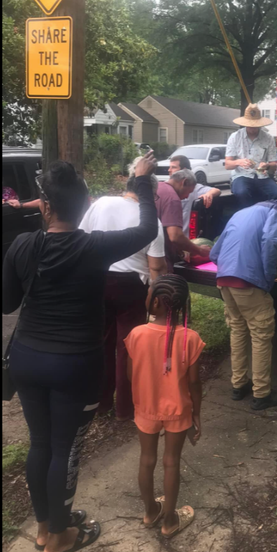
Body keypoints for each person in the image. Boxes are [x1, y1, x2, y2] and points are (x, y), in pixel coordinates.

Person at [2, 152, 158, 552]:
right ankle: (59, 537)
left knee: (40, 443)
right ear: (84, 205)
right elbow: (147, 227)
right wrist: (140, 180)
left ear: (47, 206)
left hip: (27, 359)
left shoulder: (23, 245)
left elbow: (7, 304)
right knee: (64, 448)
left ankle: (44, 527)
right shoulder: (96, 247)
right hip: (74, 364)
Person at [78, 172, 169, 422]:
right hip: (130, 287)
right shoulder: (151, 221)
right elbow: (156, 267)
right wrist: (156, 296)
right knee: (129, 348)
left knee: (102, 344)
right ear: (150, 194)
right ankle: (125, 409)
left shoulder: (101, 203)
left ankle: (101, 401)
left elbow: (80, 238)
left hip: (97, 281)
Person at [124, 274, 204, 539]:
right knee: (172, 462)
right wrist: (197, 414)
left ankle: (150, 512)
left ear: (156, 302)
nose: (145, 296)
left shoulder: (136, 334)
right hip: (178, 410)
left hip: (145, 407)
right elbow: (194, 383)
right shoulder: (190, 338)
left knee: (146, 460)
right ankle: (169, 521)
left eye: (148, 293)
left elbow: (129, 374)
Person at [209, 199, 277, 410]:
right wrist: (268, 278)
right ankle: (262, 395)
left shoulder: (241, 213)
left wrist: (230, 268)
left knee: (238, 330)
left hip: (224, 280)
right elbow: (271, 241)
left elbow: (214, 253)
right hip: (248, 283)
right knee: (261, 335)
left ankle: (238, 385)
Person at [225, 103, 277, 209]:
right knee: (242, 193)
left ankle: (274, 219)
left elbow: (274, 165)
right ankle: (248, 220)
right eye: (250, 125)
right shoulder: (235, 137)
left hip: (262, 177)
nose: (253, 128)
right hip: (241, 176)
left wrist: (267, 165)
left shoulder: (268, 138)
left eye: (255, 125)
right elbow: (227, 164)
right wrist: (238, 162)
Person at [154, 168, 213, 265]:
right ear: (184, 182)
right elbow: (175, 236)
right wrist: (200, 251)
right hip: (158, 257)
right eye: (189, 192)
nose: (186, 197)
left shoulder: (157, 187)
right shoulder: (173, 198)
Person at [168, 155, 221, 231]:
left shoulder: (193, 187)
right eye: (170, 167)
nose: (169, 170)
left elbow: (217, 190)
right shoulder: (166, 188)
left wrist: (209, 194)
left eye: (173, 167)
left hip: (184, 238)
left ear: (184, 170)